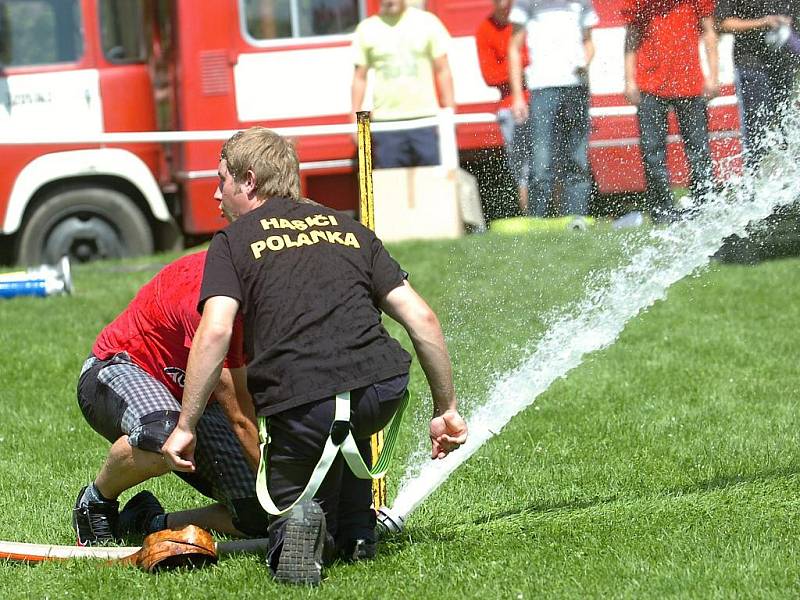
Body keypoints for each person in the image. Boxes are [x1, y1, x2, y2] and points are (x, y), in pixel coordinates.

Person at [162, 127, 468, 585]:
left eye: (221, 179)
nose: (215, 193)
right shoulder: (350, 228)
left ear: (248, 181)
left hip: (301, 400)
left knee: (294, 510)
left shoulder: (232, 241)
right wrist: (446, 409)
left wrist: (186, 426)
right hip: (379, 392)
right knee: (346, 421)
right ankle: (358, 533)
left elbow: (216, 331)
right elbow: (422, 319)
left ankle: (301, 531)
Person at [73, 250, 268, 546]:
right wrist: (282, 495)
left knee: (258, 515)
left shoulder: (277, 291)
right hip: (118, 369)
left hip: (200, 398)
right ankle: (96, 502)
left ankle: (148, 522)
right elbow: (241, 415)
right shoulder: (211, 300)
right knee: (163, 434)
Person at [623, 0, 719, 223]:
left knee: (699, 153)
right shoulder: (639, 2)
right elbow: (631, 37)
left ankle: (704, 207)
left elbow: (709, 32)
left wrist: (713, 75)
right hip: (650, 85)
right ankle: (662, 211)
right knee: (652, 154)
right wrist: (629, 80)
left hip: (690, 84)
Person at [509, 0, 598, 218]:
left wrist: (583, 64)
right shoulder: (525, 2)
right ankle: (539, 221)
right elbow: (513, 48)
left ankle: (576, 218)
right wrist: (518, 96)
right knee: (541, 161)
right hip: (542, 87)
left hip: (576, 87)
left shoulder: (581, 2)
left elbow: (589, 44)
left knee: (577, 159)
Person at [351, 0, 455, 168]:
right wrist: (355, 120)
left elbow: (443, 70)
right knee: (391, 186)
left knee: (434, 185)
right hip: (386, 123)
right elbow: (359, 78)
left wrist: (450, 113)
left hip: (426, 120)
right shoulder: (366, 29)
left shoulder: (428, 22)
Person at [716, 1, 800, 168]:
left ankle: (785, 184)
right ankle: (754, 181)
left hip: (785, 66)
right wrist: (762, 23)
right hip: (752, 67)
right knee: (758, 132)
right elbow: (722, 23)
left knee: (787, 129)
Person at [476, 0, 532, 214]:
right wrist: (520, 67)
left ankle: (557, 215)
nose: (504, 4)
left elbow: (536, 59)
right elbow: (490, 76)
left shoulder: (526, 20)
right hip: (509, 106)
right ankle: (532, 217)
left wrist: (509, 66)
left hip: (538, 100)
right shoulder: (485, 29)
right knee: (523, 169)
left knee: (547, 161)